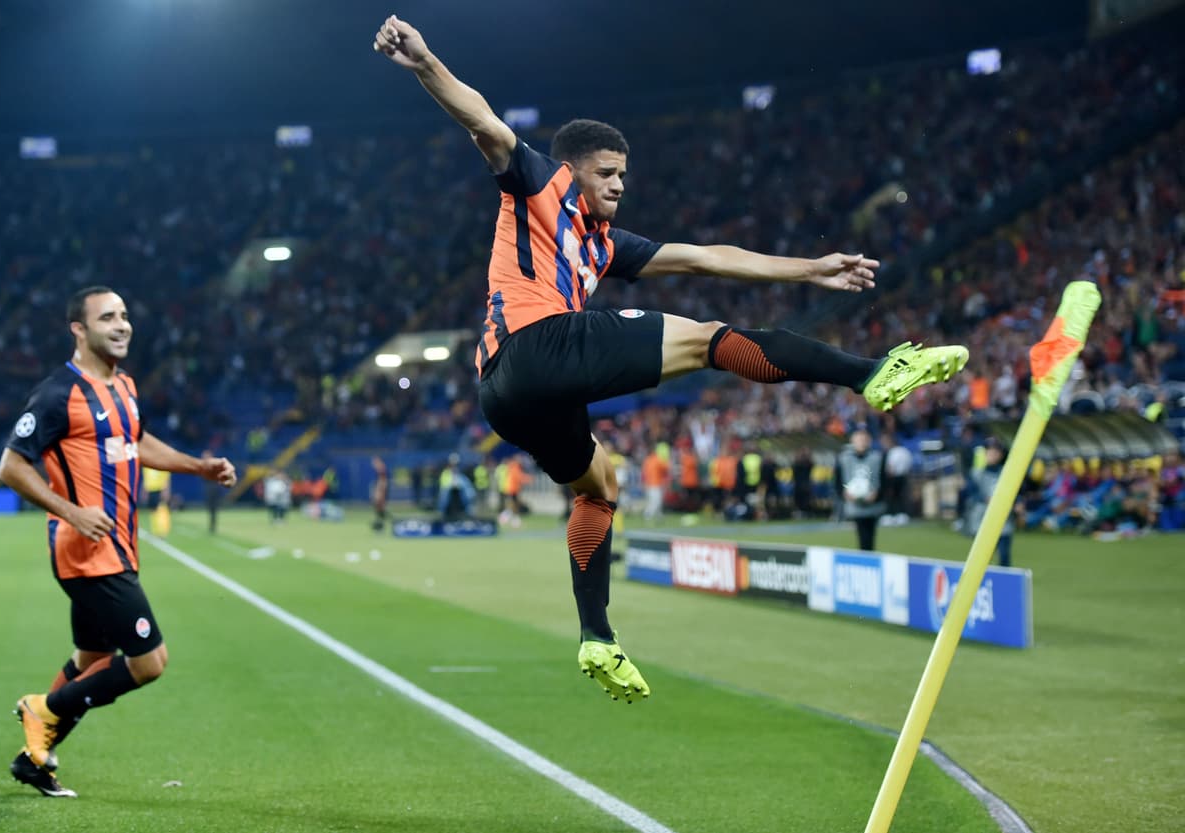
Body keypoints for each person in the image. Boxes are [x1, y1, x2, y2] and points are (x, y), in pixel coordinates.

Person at [374, 15, 968, 703]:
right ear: (575, 169)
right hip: (540, 343)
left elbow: (709, 255)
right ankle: (872, 373)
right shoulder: (540, 181)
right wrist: (424, 61)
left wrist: (809, 270)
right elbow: (485, 124)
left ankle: (597, 635)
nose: (620, 184)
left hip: (505, 393)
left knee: (599, 487)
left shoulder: (607, 244)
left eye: (625, 174)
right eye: (608, 172)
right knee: (712, 339)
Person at [0, 286, 236, 797]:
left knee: (90, 659)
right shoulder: (58, 394)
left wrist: (198, 467)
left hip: (118, 547)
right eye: (108, 317)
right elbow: (11, 465)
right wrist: (71, 511)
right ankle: (41, 709)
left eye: (125, 315)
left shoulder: (124, 386)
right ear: (79, 330)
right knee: (150, 661)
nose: (122, 325)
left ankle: (34, 757)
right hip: (86, 553)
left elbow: (138, 440)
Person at [838, 429, 886, 551]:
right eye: (859, 440)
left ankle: (869, 556)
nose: (862, 443)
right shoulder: (844, 459)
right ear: (852, 441)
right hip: (854, 505)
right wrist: (845, 493)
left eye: (864, 440)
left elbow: (884, 480)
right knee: (861, 535)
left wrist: (877, 494)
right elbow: (838, 481)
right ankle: (865, 557)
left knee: (870, 536)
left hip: (873, 504)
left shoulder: (877, 458)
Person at [370, 455, 389, 531]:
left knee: (379, 505)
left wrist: (379, 492)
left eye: (375, 462)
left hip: (381, 487)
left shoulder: (381, 469)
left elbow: (383, 481)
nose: (373, 464)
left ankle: (380, 524)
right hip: (380, 487)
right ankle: (379, 523)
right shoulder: (380, 471)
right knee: (378, 506)